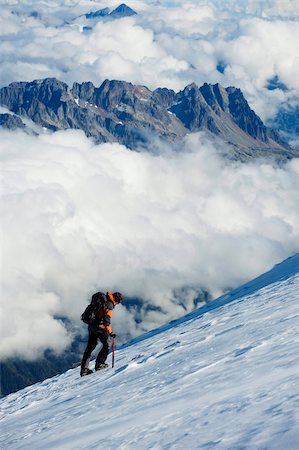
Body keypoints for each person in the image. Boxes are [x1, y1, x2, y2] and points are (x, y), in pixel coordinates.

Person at [80, 291, 123, 377]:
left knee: (90, 346)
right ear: (117, 301)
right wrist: (110, 333)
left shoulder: (102, 300)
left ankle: (84, 370)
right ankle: (100, 363)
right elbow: (107, 322)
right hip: (99, 327)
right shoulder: (109, 305)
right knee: (107, 344)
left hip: (91, 325)